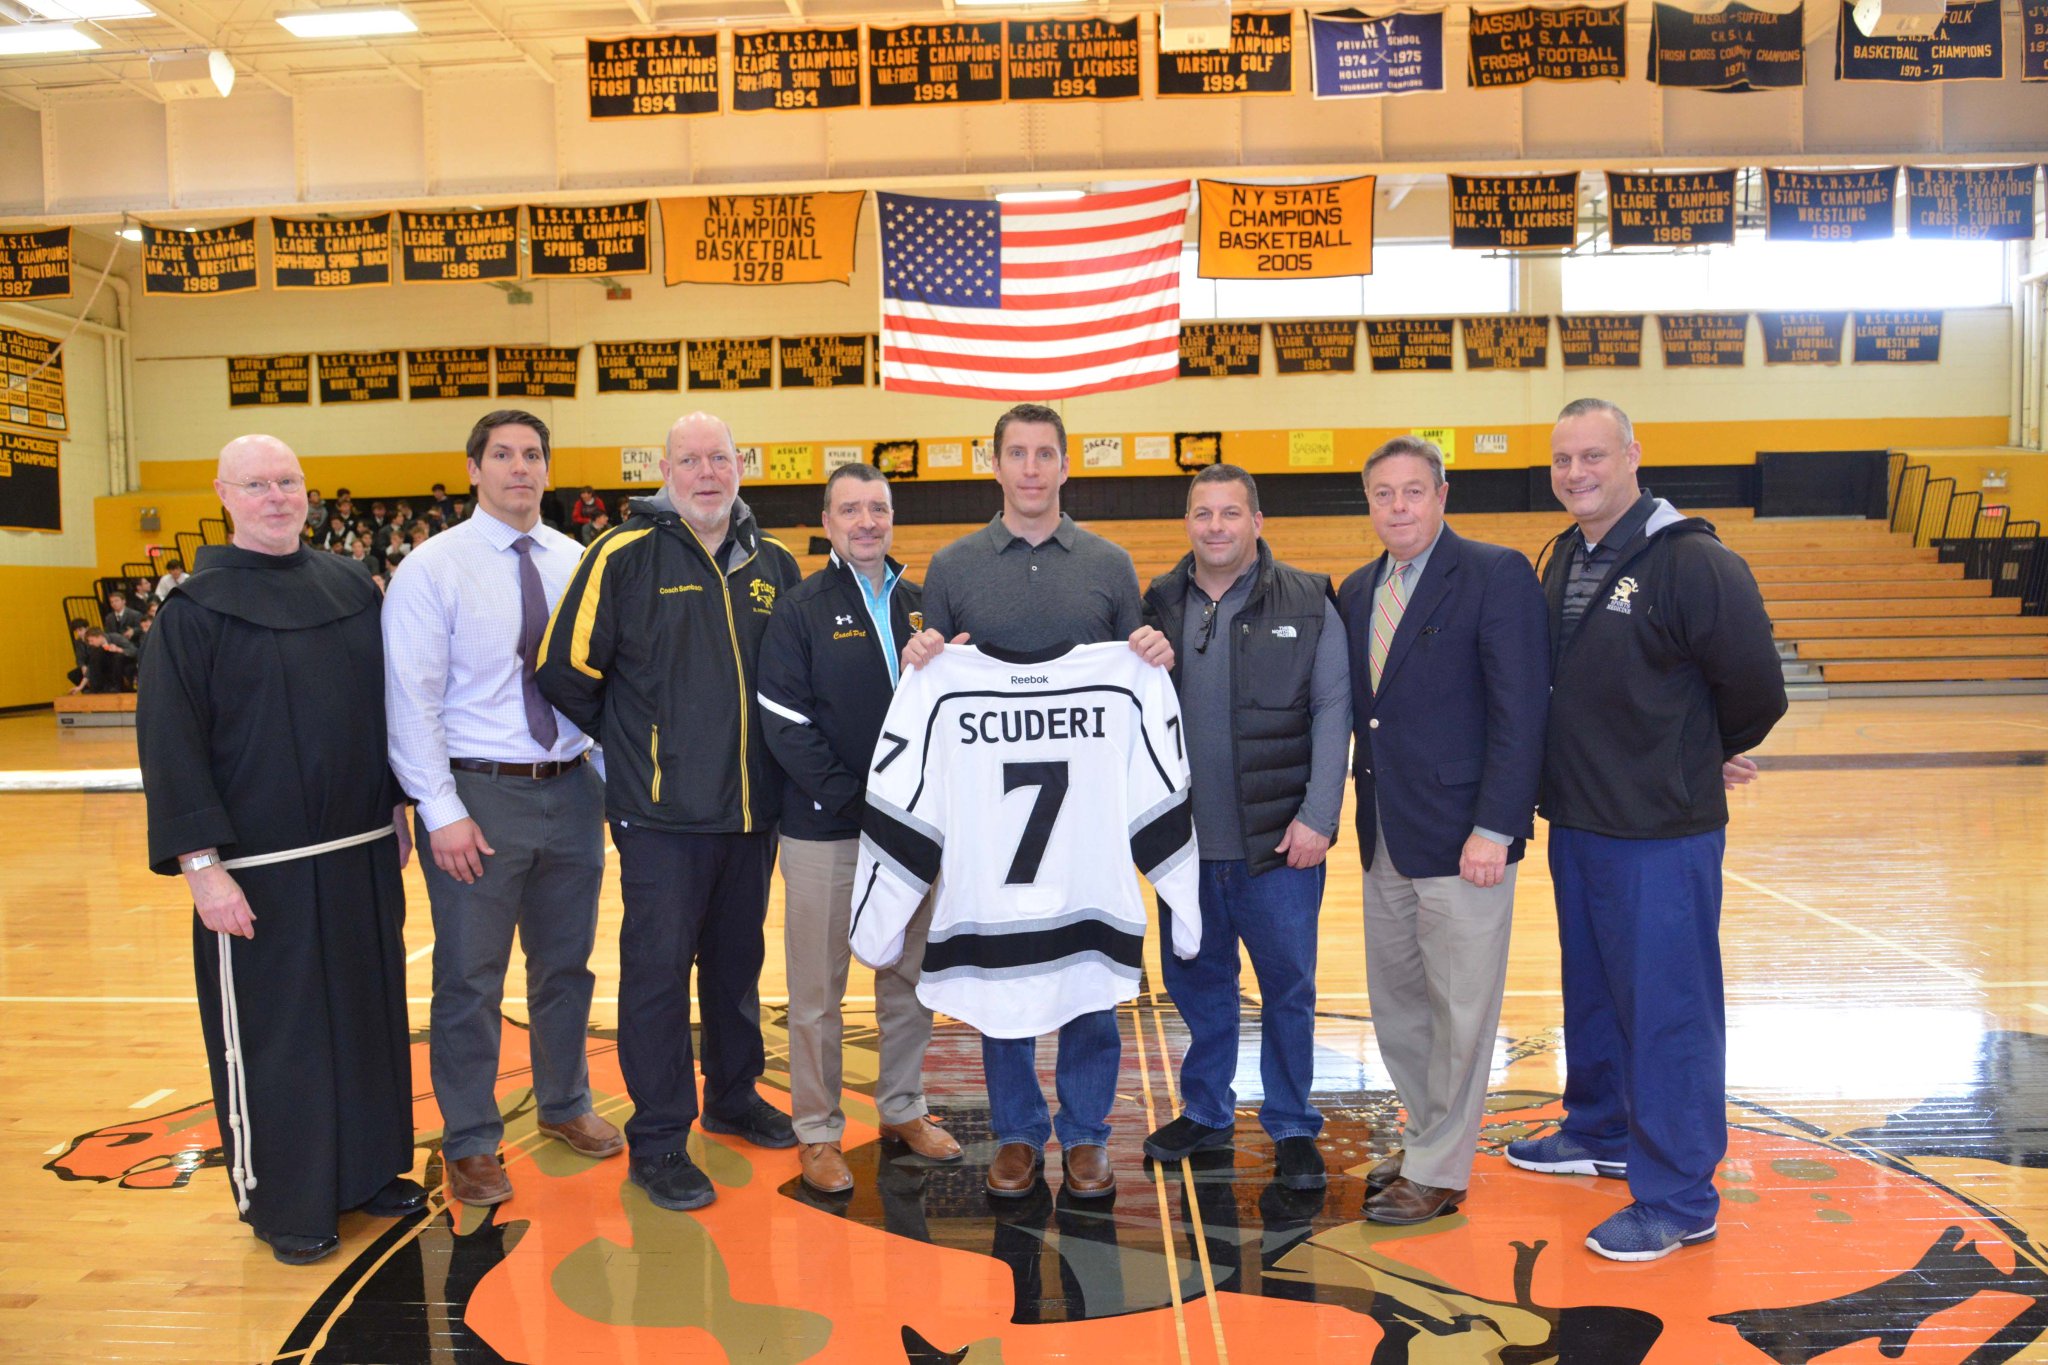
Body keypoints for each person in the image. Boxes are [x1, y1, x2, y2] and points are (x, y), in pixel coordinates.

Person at [1505, 398, 1787, 1262]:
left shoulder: (1694, 561)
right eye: (1562, 459)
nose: (1576, 473)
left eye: (1593, 455)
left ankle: (1677, 1196)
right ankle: (1601, 1128)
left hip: (1663, 833)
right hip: (1583, 821)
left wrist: (1700, 751)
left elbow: (1757, 688)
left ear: (1633, 455)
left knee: (1668, 1013)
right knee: (1593, 995)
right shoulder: (1564, 558)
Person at [137, 434, 421, 1266]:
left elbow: (381, 709)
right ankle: (286, 1199)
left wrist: (396, 806)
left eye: (289, 480)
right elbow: (171, 745)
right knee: (282, 1037)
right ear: (225, 495)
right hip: (258, 873)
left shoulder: (349, 586)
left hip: (363, 847)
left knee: (367, 1021)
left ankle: (366, 1170)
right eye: (257, 483)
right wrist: (202, 865)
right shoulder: (193, 611)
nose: (277, 495)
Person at [898, 401, 1174, 1201]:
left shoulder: (1109, 564)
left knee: (1090, 970)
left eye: (1043, 453)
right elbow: (935, 686)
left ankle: (1087, 1135)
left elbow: (1135, 679)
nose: (1029, 467)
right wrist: (922, 656)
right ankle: (1018, 1132)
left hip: (1084, 820)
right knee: (1000, 975)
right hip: (991, 825)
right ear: (994, 465)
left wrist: (1151, 651)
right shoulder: (951, 567)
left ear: (1064, 465)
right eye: (1015, 453)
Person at [536, 411, 803, 1214]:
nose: (706, 472)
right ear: (665, 469)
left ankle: (733, 1094)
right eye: (690, 460)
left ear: (742, 464)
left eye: (719, 457)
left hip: (752, 815)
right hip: (659, 818)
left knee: (735, 968)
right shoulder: (621, 554)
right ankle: (657, 1139)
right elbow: (563, 668)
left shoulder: (776, 562)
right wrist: (641, 744)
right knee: (656, 979)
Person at [384, 410, 622, 1209]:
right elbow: (411, 698)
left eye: (533, 455)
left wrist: (606, 774)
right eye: (503, 455)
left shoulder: (578, 561)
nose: (520, 468)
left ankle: (563, 1104)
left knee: (566, 968)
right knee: (470, 978)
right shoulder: (433, 567)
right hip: (477, 793)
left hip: (570, 786)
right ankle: (472, 1141)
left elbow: (603, 680)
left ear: (548, 470)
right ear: (474, 467)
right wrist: (439, 808)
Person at [1336, 436, 1550, 1226]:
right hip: (1388, 832)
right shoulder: (1358, 590)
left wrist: (1497, 825)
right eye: (1383, 493)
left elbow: (1521, 710)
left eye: (1413, 491)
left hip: (1467, 838)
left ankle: (1442, 1168)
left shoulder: (1495, 574)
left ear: (1442, 493)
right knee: (1400, 1005)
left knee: (1462, 1009)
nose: (1398, 506)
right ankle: (1428, 1135)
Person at [1137, 464, 1350, 1193]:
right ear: (1188, 523)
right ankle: (1206, 1106)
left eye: (1232, 512)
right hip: (1187, 848)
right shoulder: (1159, 601)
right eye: (1204, 513)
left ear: (1258, 521)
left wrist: (1319, 815)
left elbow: (1333, 709)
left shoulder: (1310, 598)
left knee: (1288, 987)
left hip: (1279, 844)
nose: (1217, 525)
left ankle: (1292, 1120)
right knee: (1198, 983)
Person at [757, 462, 958, 1196]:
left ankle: (902, 1107)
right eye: (851, 509)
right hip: (824, 833)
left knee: (907, 977)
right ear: (829, 520)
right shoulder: (800, 608)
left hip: (907, 835)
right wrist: (855, 801)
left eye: (878, 507)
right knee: (817, 992)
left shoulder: (919, 605)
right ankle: (816, 1130)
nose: (867, 520)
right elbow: (784, 722)